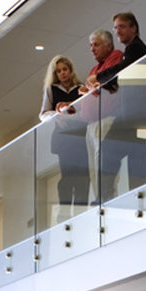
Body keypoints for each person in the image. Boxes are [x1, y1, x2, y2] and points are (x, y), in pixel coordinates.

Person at [91, 12, 146, 202]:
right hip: (135, 112)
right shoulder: (133, 48)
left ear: (133, 28)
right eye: (115, 27)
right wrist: (107, 85)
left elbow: (123, 69)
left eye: (121, 26)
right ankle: (139, 195)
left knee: (110, 150)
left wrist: (99, 78)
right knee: (135, 155)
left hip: (134, 112)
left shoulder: (135, 47)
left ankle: (106, 196)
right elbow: (126, 76)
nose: (117, 30)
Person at [39, 55, 90, 213]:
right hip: (64, 138)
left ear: (70, 70)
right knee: (68, 175)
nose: (62, 73)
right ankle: (65, 211)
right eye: (59, 71)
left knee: (83, 176)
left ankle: (81, 210)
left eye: (65, 69)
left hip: (80, 136)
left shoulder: (81, 88)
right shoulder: (51, 90)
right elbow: (43, 115)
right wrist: (56, 115)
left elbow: (87, 109)